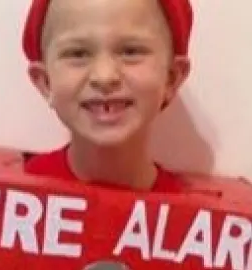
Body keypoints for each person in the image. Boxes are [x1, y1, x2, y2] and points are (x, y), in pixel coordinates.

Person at [22, 0, 193, 192]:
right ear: (45, 82)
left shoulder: (189, 215)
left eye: (131, 51)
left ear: (171, 78)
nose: (104, 76)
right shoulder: (14, 194)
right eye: (78, 54)